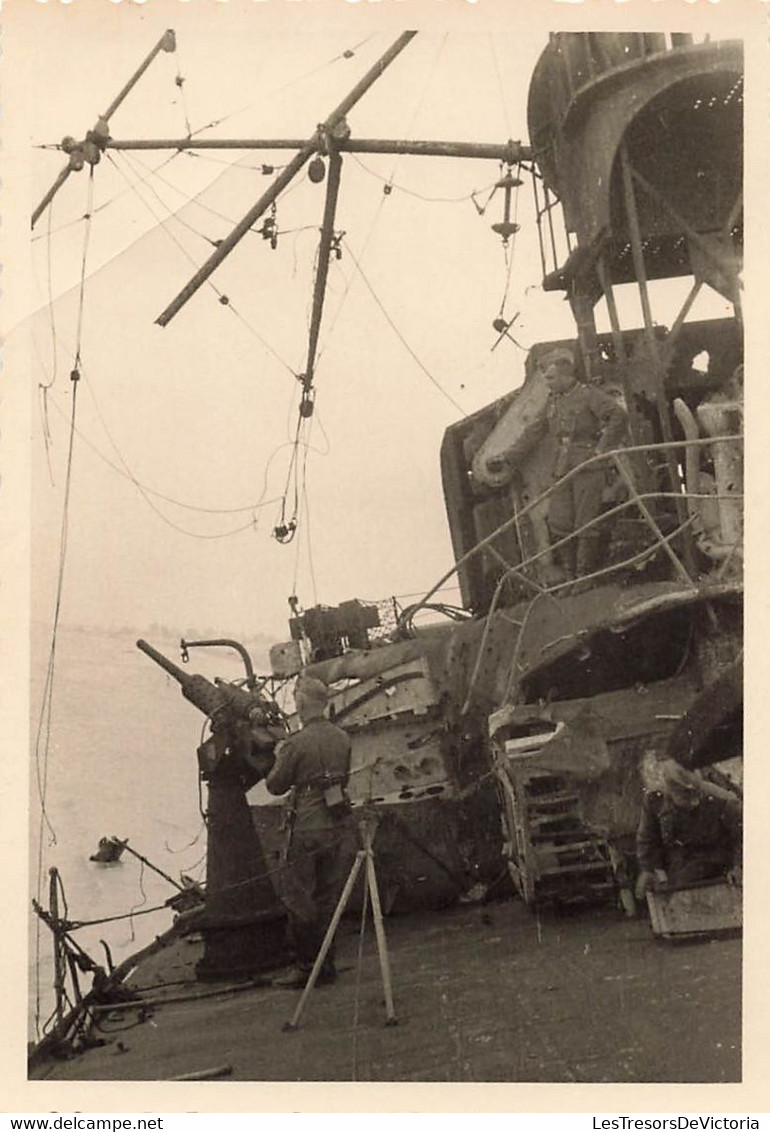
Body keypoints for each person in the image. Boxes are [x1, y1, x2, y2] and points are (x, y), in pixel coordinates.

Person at [266, 674, 354, 987]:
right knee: (327, 896)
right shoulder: (342, 737)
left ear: (302, 704)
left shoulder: (296, 743)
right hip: (335, 824)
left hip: (304, 827)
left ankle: (306, 968)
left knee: (299, 896)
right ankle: (327, 964)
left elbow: (275, 785)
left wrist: (279, 756)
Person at [538, 346, 628, 580]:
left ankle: (584, 576)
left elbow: (618, 415)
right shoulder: (553, 401)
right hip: (562, 468)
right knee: (558, 522)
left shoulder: (588, 395)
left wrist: (602, 449)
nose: (547, 383)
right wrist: (507, 456)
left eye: (551, 378)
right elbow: (534, 430)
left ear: (566, 376)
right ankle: (570, 576)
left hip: (587, 466)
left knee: (585, 523)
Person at [634, 758, 742, 899]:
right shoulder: (655, 801)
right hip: (680, 864)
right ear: (670, 790)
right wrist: (648, 869)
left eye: (696, 795)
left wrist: (739, 866)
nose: (693, 802)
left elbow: (743, 836)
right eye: (685, 797)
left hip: (718, 861)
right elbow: (647, 838)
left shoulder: (722, 800)